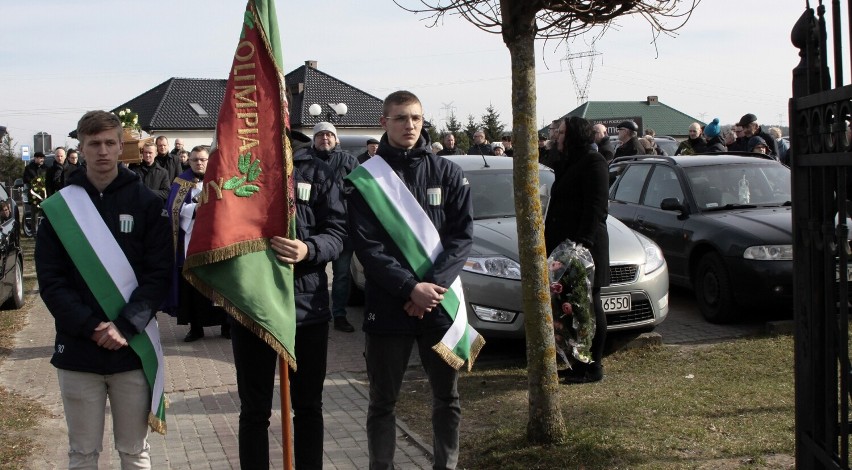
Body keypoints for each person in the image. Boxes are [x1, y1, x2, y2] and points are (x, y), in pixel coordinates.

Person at [35, 110, 171, 468]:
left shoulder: (146, 203)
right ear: (80, 147)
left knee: (134, 451)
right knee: (82, 453)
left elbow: (158, 276)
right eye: (94, 143)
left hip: (131, 349)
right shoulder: (60, 209)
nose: (103, 151)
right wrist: (91, 326)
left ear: (121, 146)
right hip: (79, 349)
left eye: (110, 143)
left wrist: (124, 326)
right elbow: (51, 281)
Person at [346, 90, 474, 470]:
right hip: (389, 306)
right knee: (382, 402)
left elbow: (461, 237)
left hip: (438, 305)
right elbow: (367, 247)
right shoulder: (365, 179)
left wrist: (428, 290)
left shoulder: (447, 172)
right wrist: (409, 289)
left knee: (446, 398)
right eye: (401, 118)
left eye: (416, 118)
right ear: (384, 122)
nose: (410, 125)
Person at [231, 129, 345, 469]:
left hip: (306, 308)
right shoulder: (237, 167)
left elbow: (338, 231)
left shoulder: (317, 170)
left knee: (308, 406)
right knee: (254, 411)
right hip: (252, 306)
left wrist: (309, 248)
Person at [544, 116, 609, 384]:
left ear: (573, 136)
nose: (556, 136)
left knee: (589, 305)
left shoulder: (594, 162)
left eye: (560, 133)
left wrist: (581, 245)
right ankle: (576, 363)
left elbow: (596, 208)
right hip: (563, 247)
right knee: (571, 307)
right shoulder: (566, 161)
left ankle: (593, 366)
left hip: (583, 248)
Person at [164, 145, 231, 342]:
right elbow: (173, 210)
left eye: (202, 159)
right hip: (190, 242)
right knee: (192, 287)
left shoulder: (221, 179)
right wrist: (195, 208)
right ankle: (196, 328)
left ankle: (226, 325)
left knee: (220, 284)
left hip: (216, 242)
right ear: (189, 161)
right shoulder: (181, 181)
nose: (199, 163)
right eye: (194, 160)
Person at [308, 121, 359, 332]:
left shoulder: (349, 161)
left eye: (329, 135)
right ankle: (315, 313)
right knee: (312, 275)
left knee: (341, 275)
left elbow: (361, 192)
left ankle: (339, 314)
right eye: (320, 135)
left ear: (336, 139)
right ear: (314, 140)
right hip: (313, 229)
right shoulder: (305, 162)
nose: (325, 138)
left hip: (342, 229)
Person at [22, 151, 48, 234]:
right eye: (40, 158)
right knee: (35, 214)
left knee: (46, 214)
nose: (41, 160)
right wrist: (34, 183)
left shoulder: (46, 168)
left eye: (42, 158)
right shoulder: (29, 168)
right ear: (35, 158)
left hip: (45, 195)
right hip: (34, 195)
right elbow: (25, 179)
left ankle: (45, 231)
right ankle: (34, 232)